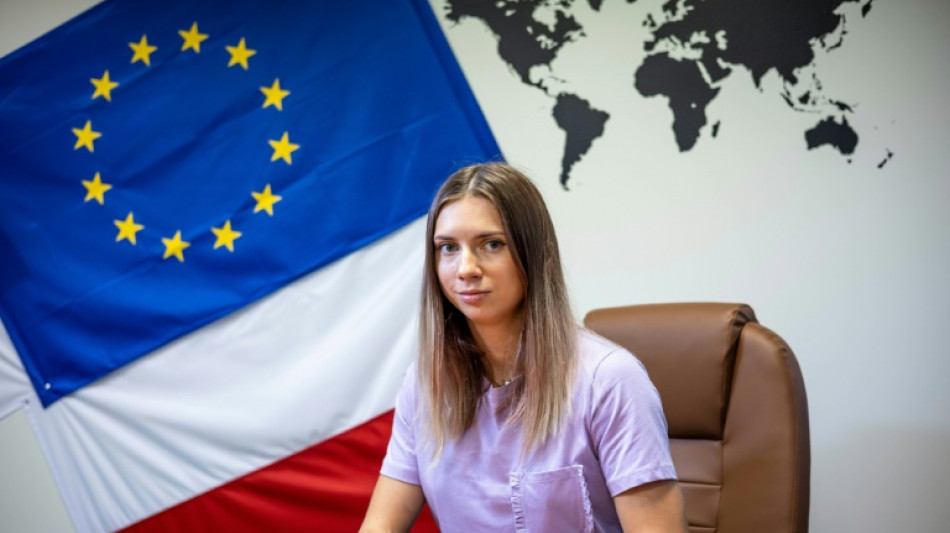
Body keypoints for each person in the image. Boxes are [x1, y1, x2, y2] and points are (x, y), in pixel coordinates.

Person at [360, 163, 687, 532]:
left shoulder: (610, 380)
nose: (466, 268)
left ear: (534, 253)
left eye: (492, 244)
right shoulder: (425, 383)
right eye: (448, 247)